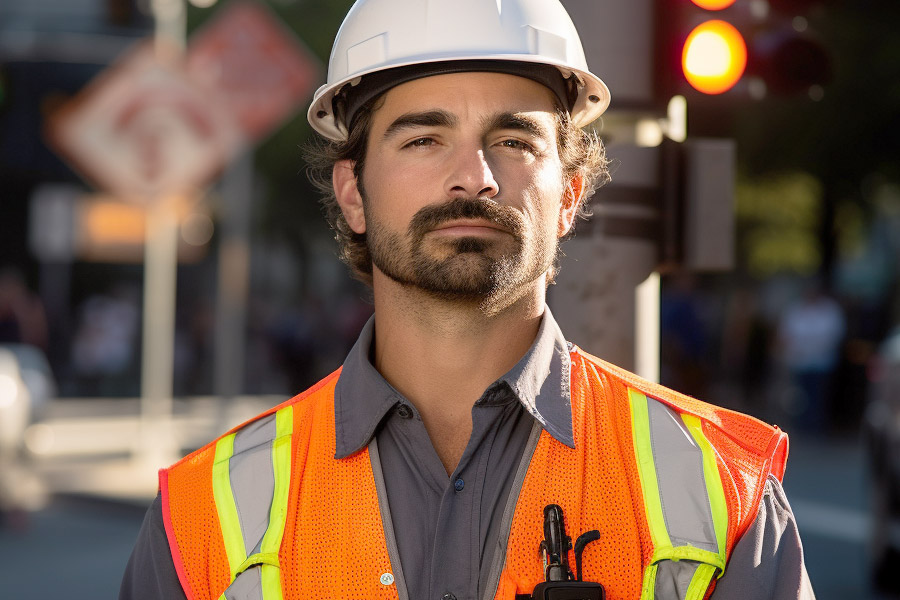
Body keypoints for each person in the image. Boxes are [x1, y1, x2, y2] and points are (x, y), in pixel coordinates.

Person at [120, 0, 814, 598]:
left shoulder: (726, 494)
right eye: (424, 138)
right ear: (353, 193)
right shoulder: (203, 518)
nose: (473, 178)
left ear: (569, 196)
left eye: (512, 140)